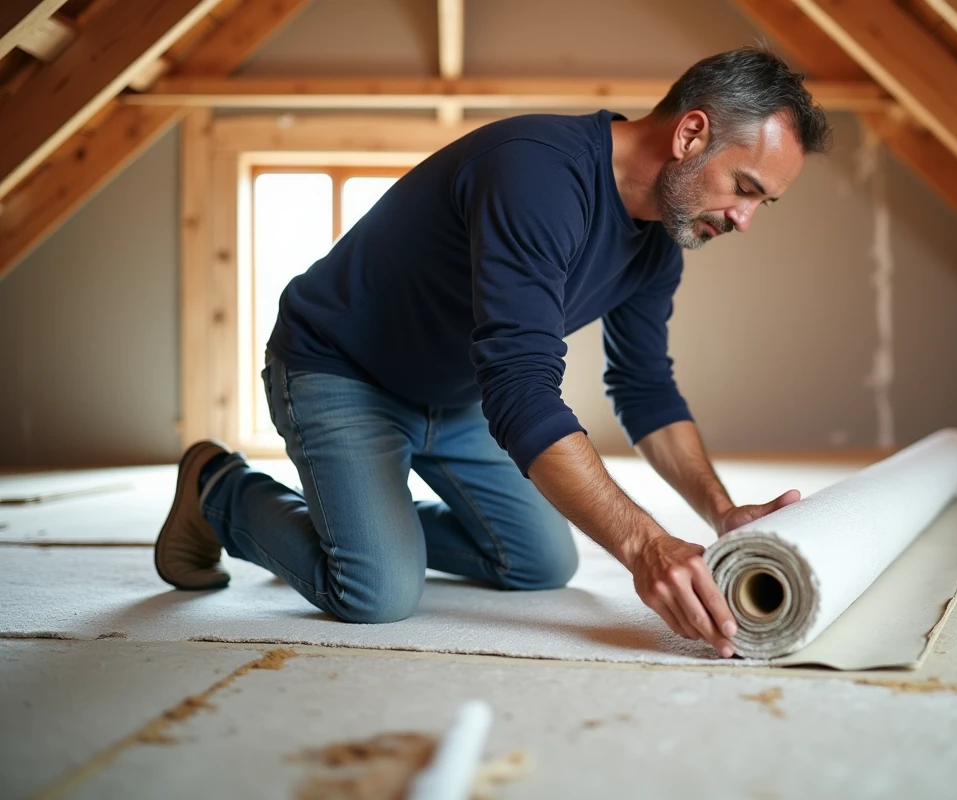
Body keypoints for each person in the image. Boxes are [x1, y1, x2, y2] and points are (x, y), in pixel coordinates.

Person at [155, 46, 831, 659]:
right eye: (745, 189)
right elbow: (521, 391)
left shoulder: (659, 246)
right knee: (377, 594)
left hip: (453, 395)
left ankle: (365, 523)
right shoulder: (537, 171)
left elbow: (644, 388)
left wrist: (722, 512)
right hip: (339, 370)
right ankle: (216, 486)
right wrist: (647, 545)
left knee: (540, 563)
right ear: (691, 133)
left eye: (763, 203)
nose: (745, 220)